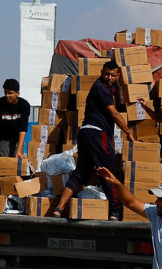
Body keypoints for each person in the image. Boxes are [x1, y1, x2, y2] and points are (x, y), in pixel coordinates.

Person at [54, 61, 136, 220]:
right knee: (107, 171)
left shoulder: (108, 88)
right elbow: (115, 114)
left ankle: (58, 209)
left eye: (113, 75)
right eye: (107, 74)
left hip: (85, 133)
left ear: (118, 75)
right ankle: (114, 211)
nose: (110, 78)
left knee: (79, 173)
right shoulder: (101, 88)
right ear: (101, 72)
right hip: (96, 134)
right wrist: (129, 132)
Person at [0, 78, 30, 160]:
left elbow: (23, 129)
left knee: (17, 161)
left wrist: (19, 150)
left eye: (10, 93)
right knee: (4, 161)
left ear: (17, 93)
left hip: (17, 138)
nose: (7, 95)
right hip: (3, 138)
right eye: (5, 93)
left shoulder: (24, 105)